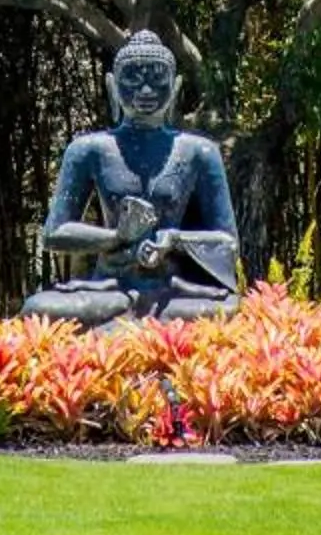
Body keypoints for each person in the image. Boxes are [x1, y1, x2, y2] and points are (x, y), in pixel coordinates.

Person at [21, 30, 240, 323]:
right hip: (109, 287)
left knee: (229, 312)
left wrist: (173, 240)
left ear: (175, 87)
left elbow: (228, 242)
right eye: (133, 79)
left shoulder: (199, 151)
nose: (146, 91)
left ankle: (133, 322)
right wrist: (115, 237)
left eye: (157, 80)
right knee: (39, 307)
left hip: (171, 292)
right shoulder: (89, 149)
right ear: (112, 86)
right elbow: (54, 234)